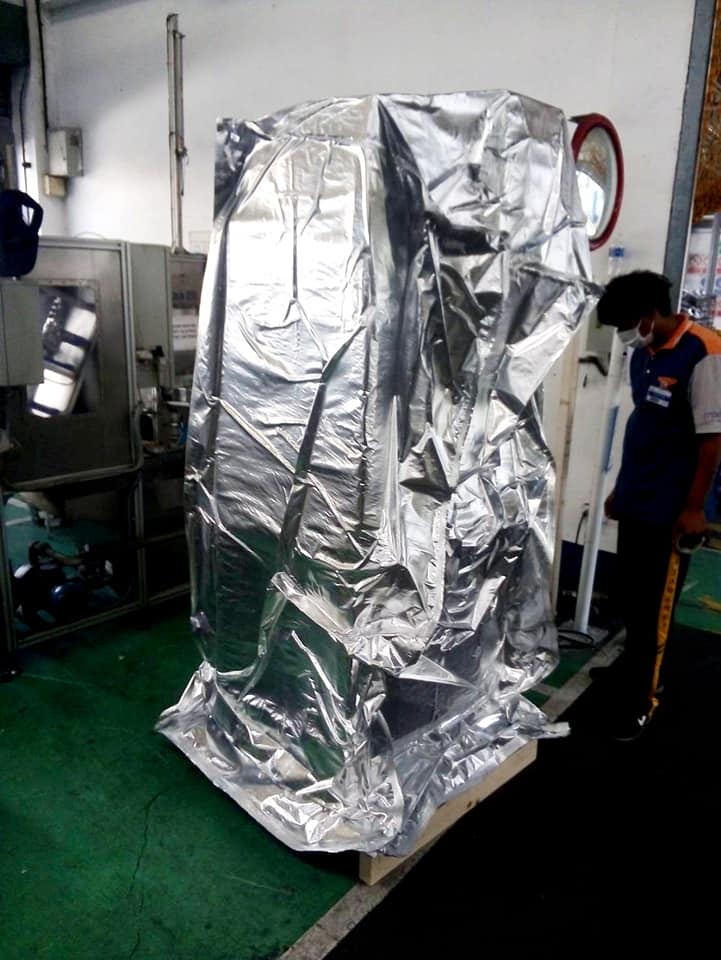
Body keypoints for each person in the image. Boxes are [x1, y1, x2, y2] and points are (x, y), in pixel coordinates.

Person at [597, 270, 721, 740]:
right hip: (637, 497)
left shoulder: (704, 353)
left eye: (627, 324)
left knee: (654, 609)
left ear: (650, 314)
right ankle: (634, 670)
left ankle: (643, 701)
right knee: (630, 598)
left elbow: (712, 441)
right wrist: (621, 489)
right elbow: (647, 425)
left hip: (671, 509)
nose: (624, 334)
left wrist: (694, 509)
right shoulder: (645, 353)